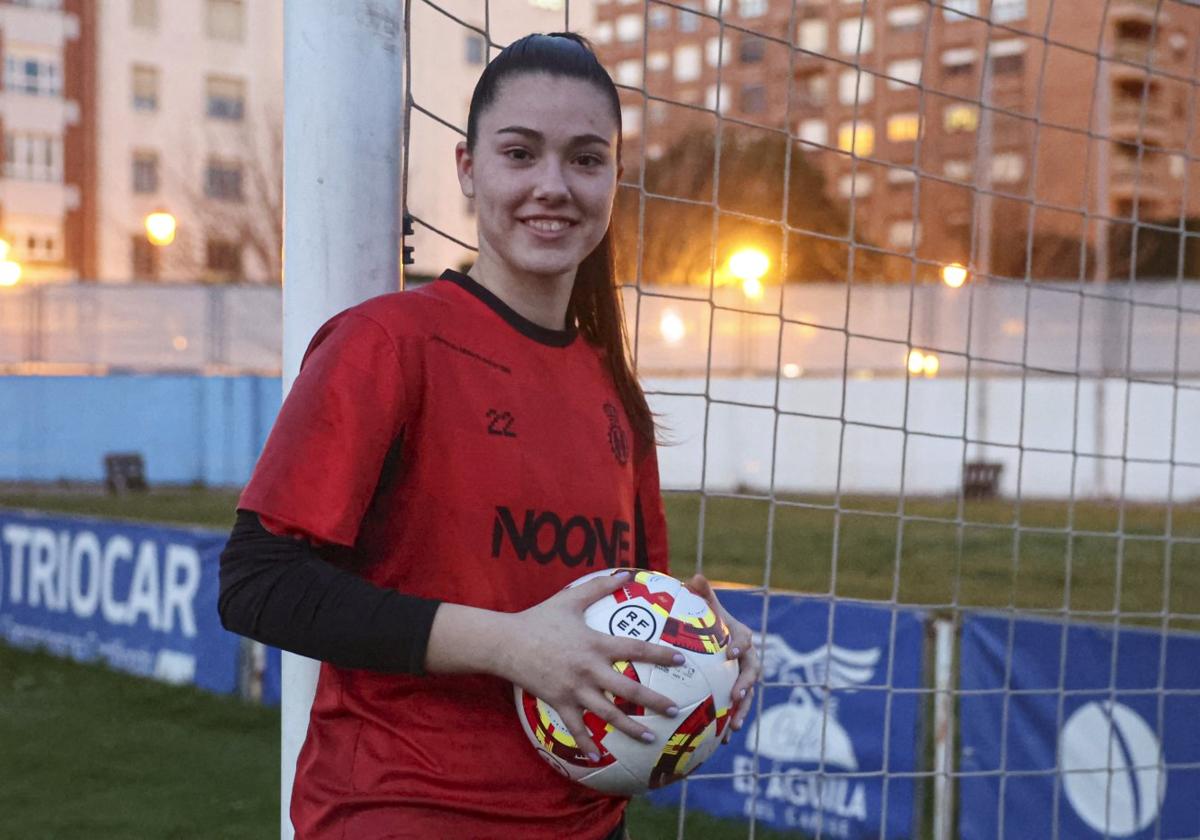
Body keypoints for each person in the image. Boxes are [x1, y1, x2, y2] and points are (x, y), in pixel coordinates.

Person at [218, 32, 761, 840]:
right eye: (520, 153)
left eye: (585, 159)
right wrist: (508, 644)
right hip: (403, 814)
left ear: (615, 179)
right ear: (468, 169)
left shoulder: (615, 394)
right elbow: (257, 582)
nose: (553, 186)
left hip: (583, 823)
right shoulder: (388, 345)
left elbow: (616, 619)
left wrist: (704, 643)